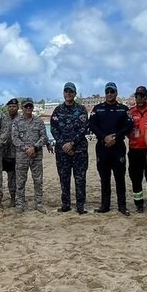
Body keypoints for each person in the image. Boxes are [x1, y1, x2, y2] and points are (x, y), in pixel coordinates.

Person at [89, 82, 134, 216]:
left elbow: (129, 126)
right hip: (102, 147)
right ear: (105, 93)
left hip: (118, 147)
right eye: (107, 91)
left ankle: (122, 206)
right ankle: (105, 205)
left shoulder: (123, 109)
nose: (109, 94)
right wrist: (104, 137)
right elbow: (92, 125)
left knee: (120, 178)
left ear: (116, 93)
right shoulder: (98, 109)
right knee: (104, 178)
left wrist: (115, 137)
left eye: (112, 91)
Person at [51, 82, 89, 214]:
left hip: (79, 150)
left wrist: (72, 143)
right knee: (64, 178)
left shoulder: (81, 110)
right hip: (62, 151)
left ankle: (80, 205)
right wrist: (64, 144)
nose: (68, 94)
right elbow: (54, 129)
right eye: (66, 91)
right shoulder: (57, 110)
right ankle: (65, 204)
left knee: (80, 178)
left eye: (71, 91)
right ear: (63, 93)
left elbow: (84, 129)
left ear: (75, 94)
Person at [12, 97, 47, 213]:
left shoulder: (39, 121)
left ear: (32, 107)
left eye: (30, 106)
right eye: (26, 106)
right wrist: (26, 148)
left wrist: (34, 147)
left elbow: (44, 137)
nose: (28, 108)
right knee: (20, 181)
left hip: (36, 156)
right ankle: (20, 204)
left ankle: (38, 203)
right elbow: (14, 138)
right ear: (22, 108)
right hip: (22, 156)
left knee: (38, 181)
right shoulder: (16, 122)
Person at [128, 85, 147, 213]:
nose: (140, 98)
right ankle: (138, 203)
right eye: (138, 95)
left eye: (142, 95)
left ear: (146, 97)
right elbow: (126, 129)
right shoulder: (131, 112)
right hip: (134, 150)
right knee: (136, 178)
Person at [2, 98, 20, 207]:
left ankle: (19, 198)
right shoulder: (4, 120)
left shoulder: (22, 119)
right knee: (10, 177)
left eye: (14, 106)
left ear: (18, 107)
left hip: (20, 153)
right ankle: (12, 198)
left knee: (20, 177)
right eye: (10, 106)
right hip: (7, 153)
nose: (12, 108)